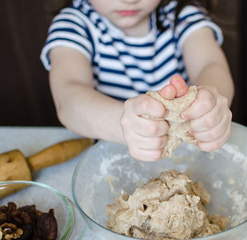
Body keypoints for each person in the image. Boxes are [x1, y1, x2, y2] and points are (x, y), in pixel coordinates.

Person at [41, 0, 234, 161]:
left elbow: (210, 65)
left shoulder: (183, 16)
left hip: (185, 157)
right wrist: (125, 125)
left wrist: (210, 103)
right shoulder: (74, 25)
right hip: (108, 158)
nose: (129, 0)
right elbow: (68, 98)